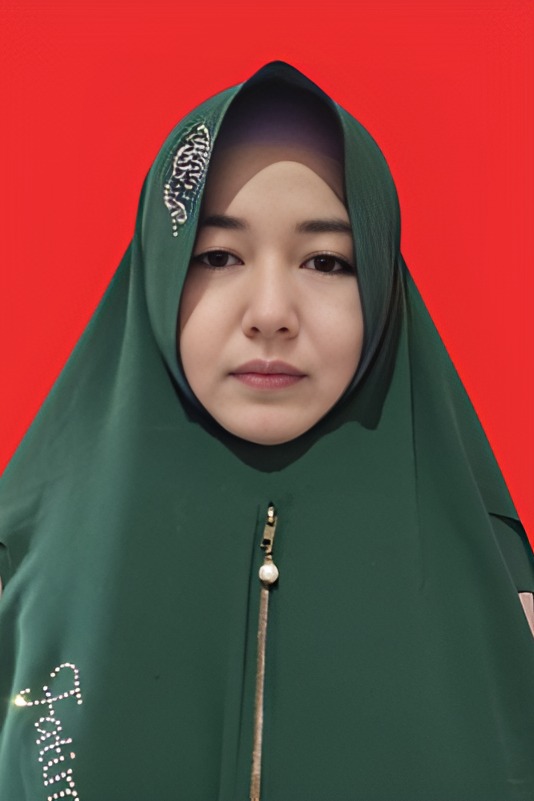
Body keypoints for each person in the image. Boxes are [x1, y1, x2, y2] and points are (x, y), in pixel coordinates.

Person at [0, 61, 532, 801]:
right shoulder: (19, 570)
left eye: (327, 260)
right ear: (158, 267)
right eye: (217, 256)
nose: (272, 312)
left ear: (381, 281)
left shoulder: (506, 596)